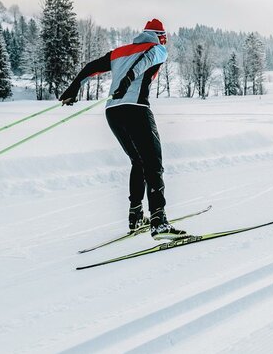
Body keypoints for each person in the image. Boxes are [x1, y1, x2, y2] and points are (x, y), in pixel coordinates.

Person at [59, 18, 187, 240]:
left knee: (138, 162)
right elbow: (144, 63)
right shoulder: (158, 49)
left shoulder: (120, 51)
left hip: (113, 112)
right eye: (164, 38)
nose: (165, 42)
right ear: (160, 36)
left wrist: (74, 87)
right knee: (153, 164)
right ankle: (159, 221)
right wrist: (127, 80)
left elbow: (91, 68)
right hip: (136, 108)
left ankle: (136, 217)